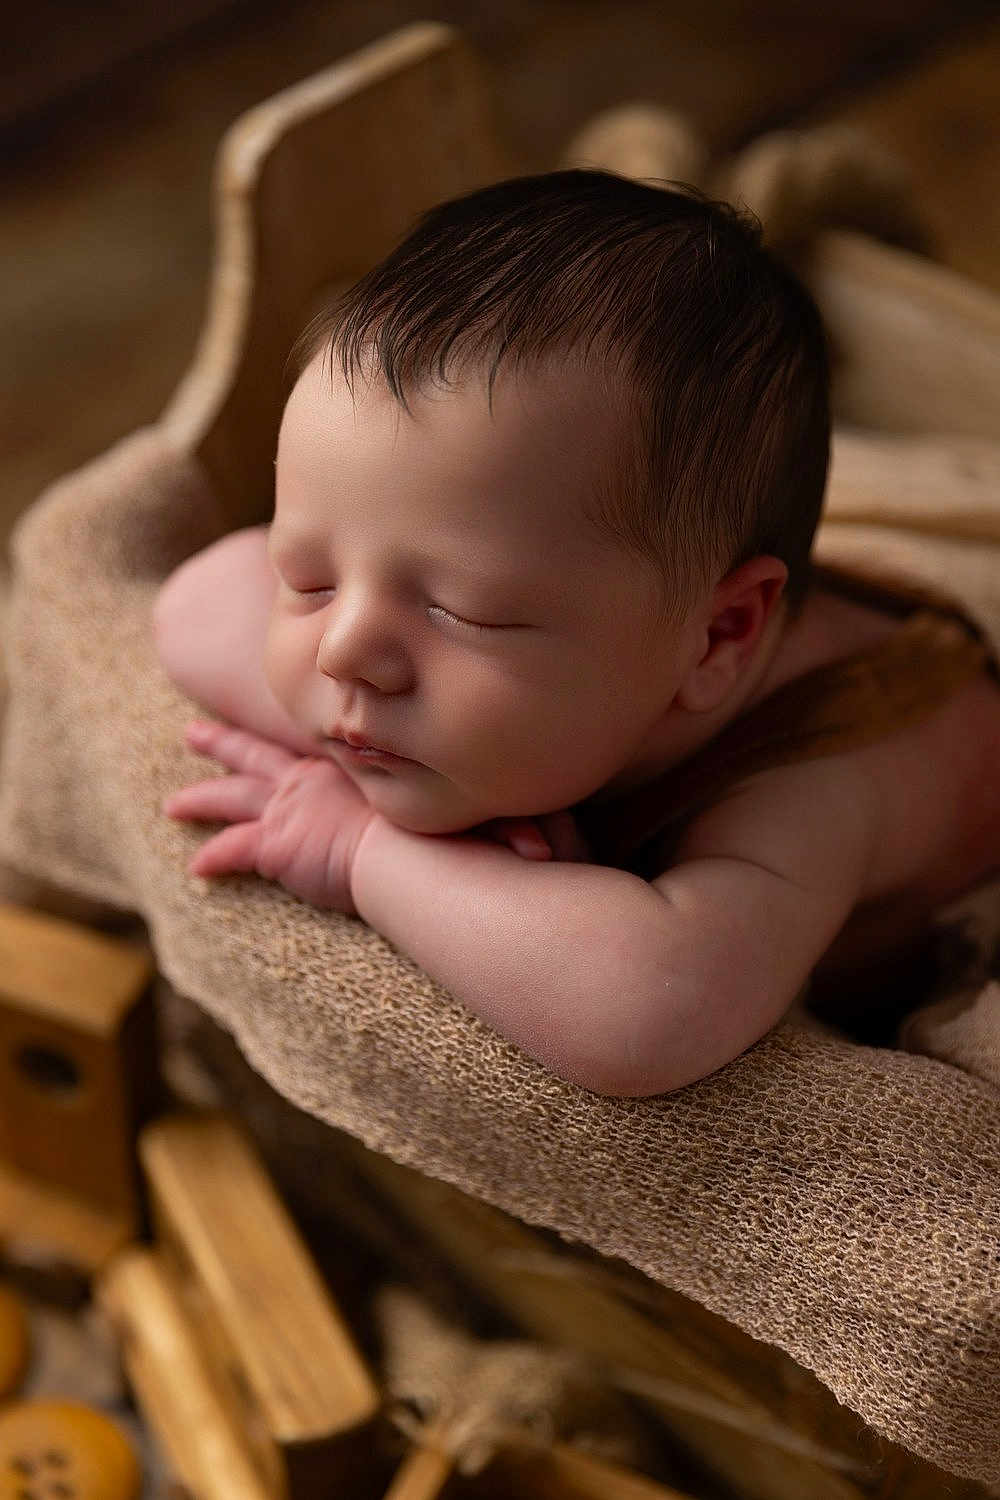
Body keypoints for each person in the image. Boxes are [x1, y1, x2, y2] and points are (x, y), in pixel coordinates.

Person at [153, 170, 1000, 1096]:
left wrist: (364, 854)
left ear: (716, 638)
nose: (342, 651)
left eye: (461, 612)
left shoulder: (818, 779)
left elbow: (648, 1010)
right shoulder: (596, 613)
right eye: (306, 578)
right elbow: (192, 604)